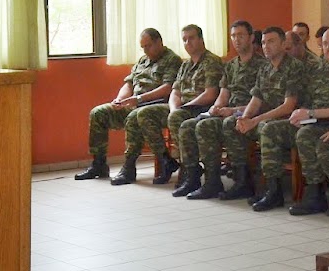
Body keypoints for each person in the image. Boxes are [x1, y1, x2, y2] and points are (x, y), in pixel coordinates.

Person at [204, 26, 305, 204]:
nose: (266, 46)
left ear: (283, 44)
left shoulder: (294, 67)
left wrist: (255, 120)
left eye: (272, 41)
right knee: (231, 123)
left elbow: (288, 106)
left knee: (267, 129)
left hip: (289, 122)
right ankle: (243, 181)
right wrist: (245, 117)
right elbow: (256, 99)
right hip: (266, 119)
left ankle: (274, 191)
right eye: (264, 42)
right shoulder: (265, 68)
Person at [76, 28, 181, 183]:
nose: (146, 50)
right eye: (143, 47)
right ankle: (99, 164)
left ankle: (129, 167)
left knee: (134, 116)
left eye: (149, 46)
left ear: (159, 42)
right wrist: (119, 99)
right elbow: (129, 83)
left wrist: (138, 98)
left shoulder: (172, 59)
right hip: (134, 103)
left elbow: (168, 88)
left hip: (157, 105)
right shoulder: (142, 61)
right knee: (98, 113)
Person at [178, 21, 260, 199]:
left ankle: (243, 181)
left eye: (241, 35)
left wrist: (231, 110)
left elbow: (261, 101)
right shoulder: (231, 65)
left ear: (251, 38)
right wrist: (217, 107)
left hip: (249, 113)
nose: (236, 40)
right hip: (228, 110)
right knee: (190, 125)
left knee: (230, 123)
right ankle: (207, 180)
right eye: (233, 36)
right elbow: (224, 93)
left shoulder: (261, 65)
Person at [281, 27, 329, 215]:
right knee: (303, 134)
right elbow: (308, 100)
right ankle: (315, 194)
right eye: (324, 43)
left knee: (323, 143)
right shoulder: (319, 69)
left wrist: (312, 113)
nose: (328, 47)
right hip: (317, 121)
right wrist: (302, 115)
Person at [146, 25, 222, 189]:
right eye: (185, 40)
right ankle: (172, 162)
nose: (188, 43)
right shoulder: (185, 65)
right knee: (146, 114)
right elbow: (175, 91)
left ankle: (189, 170)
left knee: (177, 118)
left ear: (201, 39)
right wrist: (174, 108)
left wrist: (184, 107)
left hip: (202, 107)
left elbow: (210, 94)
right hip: (183, 108)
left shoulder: (211, 62)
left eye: (192, 38)